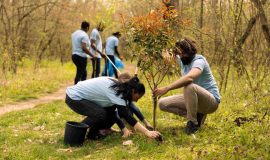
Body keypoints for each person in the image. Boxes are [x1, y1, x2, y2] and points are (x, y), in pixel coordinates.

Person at [153, 38, 221, 134]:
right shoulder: (182, 60)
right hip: (194, 98)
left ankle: (192, 124)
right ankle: (197, 117)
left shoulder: (199, 60)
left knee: (189, 86)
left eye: (183, 53)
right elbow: (167, 53)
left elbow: (190, 77)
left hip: (210, 102)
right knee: (162, 103)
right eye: (179, 54)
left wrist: (167, 88)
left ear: (189, 52)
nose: (181, 56)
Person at [65, 76, 160, 140]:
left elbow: (113, 111)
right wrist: (147, 132)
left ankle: (92, 134)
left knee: (108, 112)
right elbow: (127, 116)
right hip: (74, 97)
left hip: (79, 96)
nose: (137, 101)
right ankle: (76, 132)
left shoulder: (121, 89)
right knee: (101, 113)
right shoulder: (116, 92)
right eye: (138, 97)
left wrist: (124, 129)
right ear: (133, 91)